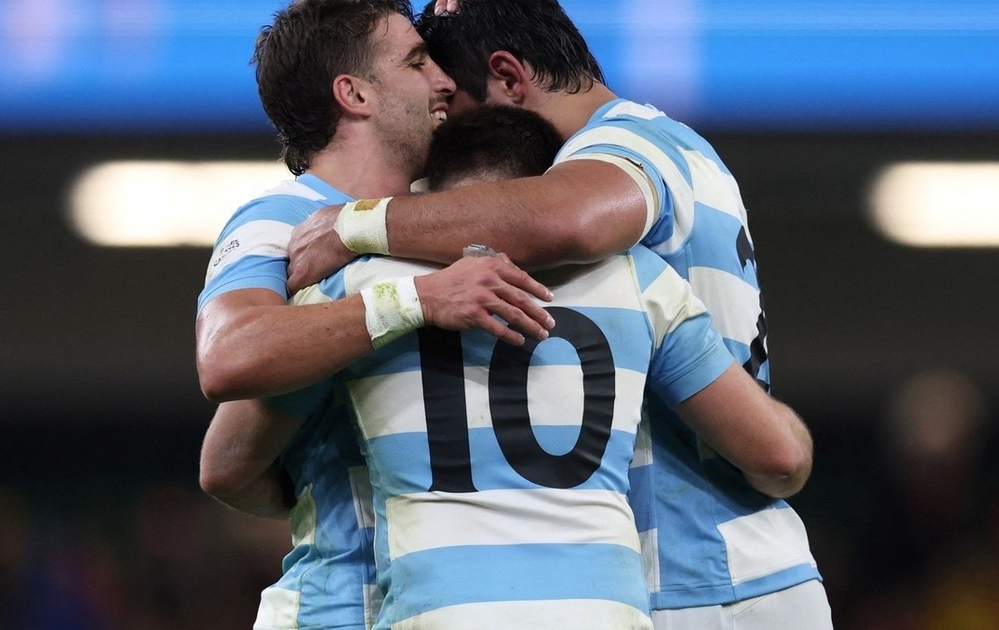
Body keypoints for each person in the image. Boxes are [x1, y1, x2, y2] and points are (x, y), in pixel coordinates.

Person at [282, 1, 832, 628]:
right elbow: (778, 452)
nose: (442, 137)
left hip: (694, 578)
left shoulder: (624, 147)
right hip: (754, 563)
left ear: (508, 79)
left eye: (452, 109)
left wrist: (357, 224)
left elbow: (562, 219)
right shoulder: (684, 152)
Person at [195, 2, 550, 628]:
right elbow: (229, 355)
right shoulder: (283, 217)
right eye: (417, 63)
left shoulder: (439, 215)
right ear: (354, 93)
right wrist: (417, 300)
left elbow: (229, 471)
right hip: (341, 610)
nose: (445, 81)